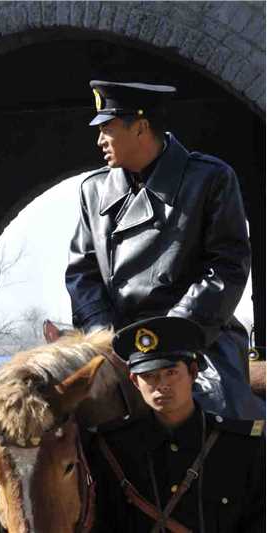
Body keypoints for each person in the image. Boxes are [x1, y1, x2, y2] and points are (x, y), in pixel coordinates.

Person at [65, 80, 264, 420]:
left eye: (107, 129)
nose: (99, 140)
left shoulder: (210, 178)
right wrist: (104, 335)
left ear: (141, 127)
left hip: (196, 335)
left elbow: (226, 267)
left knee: (229, 425)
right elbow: (82, 274)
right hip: (117, 341)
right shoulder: (93, 190)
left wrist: (173, 333)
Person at [89, 316, 265, 532]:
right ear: (135, 381)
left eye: (171, 373)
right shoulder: (111, 448)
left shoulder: (241, 445)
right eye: (149, 376)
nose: (161, 385)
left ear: (192, 372)